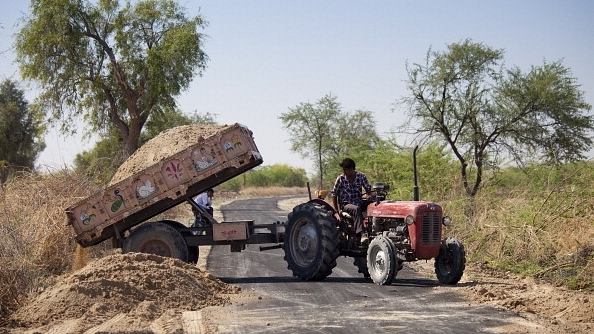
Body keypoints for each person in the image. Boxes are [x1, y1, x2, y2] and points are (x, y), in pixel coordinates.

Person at [331, 158, 372, 244]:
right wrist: (336, 210)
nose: (344, 172)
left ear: (352, 169)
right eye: (344, 170)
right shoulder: (341, 179)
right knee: (356, 209)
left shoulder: (361, 176)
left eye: (346, 170)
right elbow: (334, 194)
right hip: (346, 204)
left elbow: (368, 189)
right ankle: (360, 235)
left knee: (374, 205)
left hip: (359, 201)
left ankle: (374, 230)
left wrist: (369, 195)